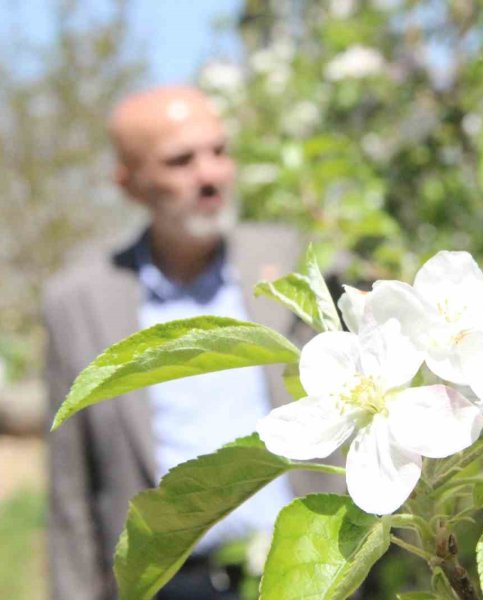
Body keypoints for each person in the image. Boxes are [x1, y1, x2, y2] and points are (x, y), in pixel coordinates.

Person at [44, 85, 339, 600]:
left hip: (304, 570)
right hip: (170, 584)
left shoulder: (297, 262)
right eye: (180, 161)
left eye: (219, 152)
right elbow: (70, 491)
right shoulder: (80, 302)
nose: (210, 176)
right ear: (131, 185)